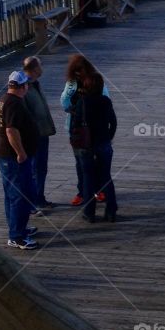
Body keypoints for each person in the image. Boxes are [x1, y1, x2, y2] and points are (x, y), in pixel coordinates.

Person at [0, 70, 40, 250]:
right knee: (20, 195)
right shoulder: (14, 104)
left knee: (11, 195)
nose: (28, 86)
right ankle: (17, 236)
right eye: (26, 84)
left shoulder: (3, 99)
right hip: (12, 157)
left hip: (4, 154)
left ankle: (17, 227)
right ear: (22, 87)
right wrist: (21, 153)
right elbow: (11, 131)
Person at [61, 54, 110, 205]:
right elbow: (64, 101)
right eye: (74, 72)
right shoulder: (71, 83)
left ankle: (100, 189)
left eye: (80, 71)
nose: (78, 75)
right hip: (76, 128)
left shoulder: (96, 80)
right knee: (80, 162)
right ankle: (82, 191)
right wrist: (73, 109)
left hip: (94, 128)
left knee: (98, 161)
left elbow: (106, 100)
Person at [72, 72, 118, 224]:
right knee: (106, 177)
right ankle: (111, 211)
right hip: (103, 143)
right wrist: (108, 137)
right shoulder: (106, 101)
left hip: (86, 146)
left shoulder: (82, 102)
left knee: (88, 178)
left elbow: (75, 125)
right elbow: (114, 122)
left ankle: (89, 212)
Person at [22, 55, 57, 212]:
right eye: (40, 66)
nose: (42, 68)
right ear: (35, 69)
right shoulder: (25, 87)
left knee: (41, 167)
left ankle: (39, 197)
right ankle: (35, 201)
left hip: (43, 132)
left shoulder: (35, 84)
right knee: (36, 168)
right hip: (35, 136)